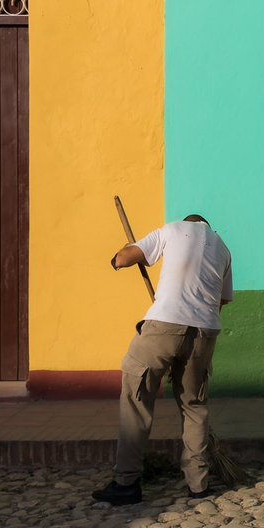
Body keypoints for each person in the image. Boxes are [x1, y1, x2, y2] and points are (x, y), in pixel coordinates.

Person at [92, 214, 233, 506]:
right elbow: (220, 301)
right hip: (205, 332)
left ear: (187, 222)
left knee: (136, 399)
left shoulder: (172, 230)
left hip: (164, 325)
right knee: (194, 406)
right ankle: (198, 483)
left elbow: (124, 259)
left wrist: (118, 256)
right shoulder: (223, 248)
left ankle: (127, 482)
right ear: (206, 226)